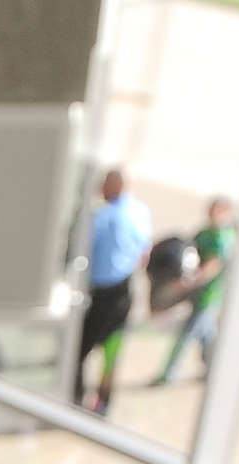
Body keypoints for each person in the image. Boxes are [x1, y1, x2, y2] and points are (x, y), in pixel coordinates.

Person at [79, 167, 152, 415]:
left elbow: (83, 250)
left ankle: (77, 396)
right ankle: (103, 402)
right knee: (111, 351)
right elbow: (144, 254)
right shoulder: (141, 212)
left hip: (103, 292)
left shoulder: (103, 216)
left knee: (82, 346)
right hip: (125, 289)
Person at [158, 195, 237, 386]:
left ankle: (169, 374)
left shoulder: (223, 238)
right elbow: (189, 249)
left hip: (209, 295)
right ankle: (213, 368)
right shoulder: (205, 232)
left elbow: (211, 268)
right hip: (198, 294)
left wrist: (186, 283)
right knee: (207, 334)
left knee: (188, 334)